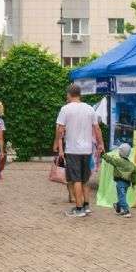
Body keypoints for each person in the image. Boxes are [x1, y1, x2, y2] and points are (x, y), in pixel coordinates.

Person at [54, 84, 102, 218]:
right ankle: (86, 206)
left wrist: (57, 144)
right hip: (87, 150)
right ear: (80, 94)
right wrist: (100, 144)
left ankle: (79, 208)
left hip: (73, 149)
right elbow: (97, 129)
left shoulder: (65, 109)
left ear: (69, 94)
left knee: (76, 180)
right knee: (85, 179)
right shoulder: (89, 109)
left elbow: (60, 129)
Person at [101, 143, 136, 217]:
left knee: (121, 197)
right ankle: (118, 206)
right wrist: (134, 183)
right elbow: (134, 174)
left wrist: (103, 155)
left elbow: (110, 160)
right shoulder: (131, 165)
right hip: (127, 183)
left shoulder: (118, 161)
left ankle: (126, 211)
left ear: (121, 152)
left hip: (120, 182)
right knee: (122, 196)